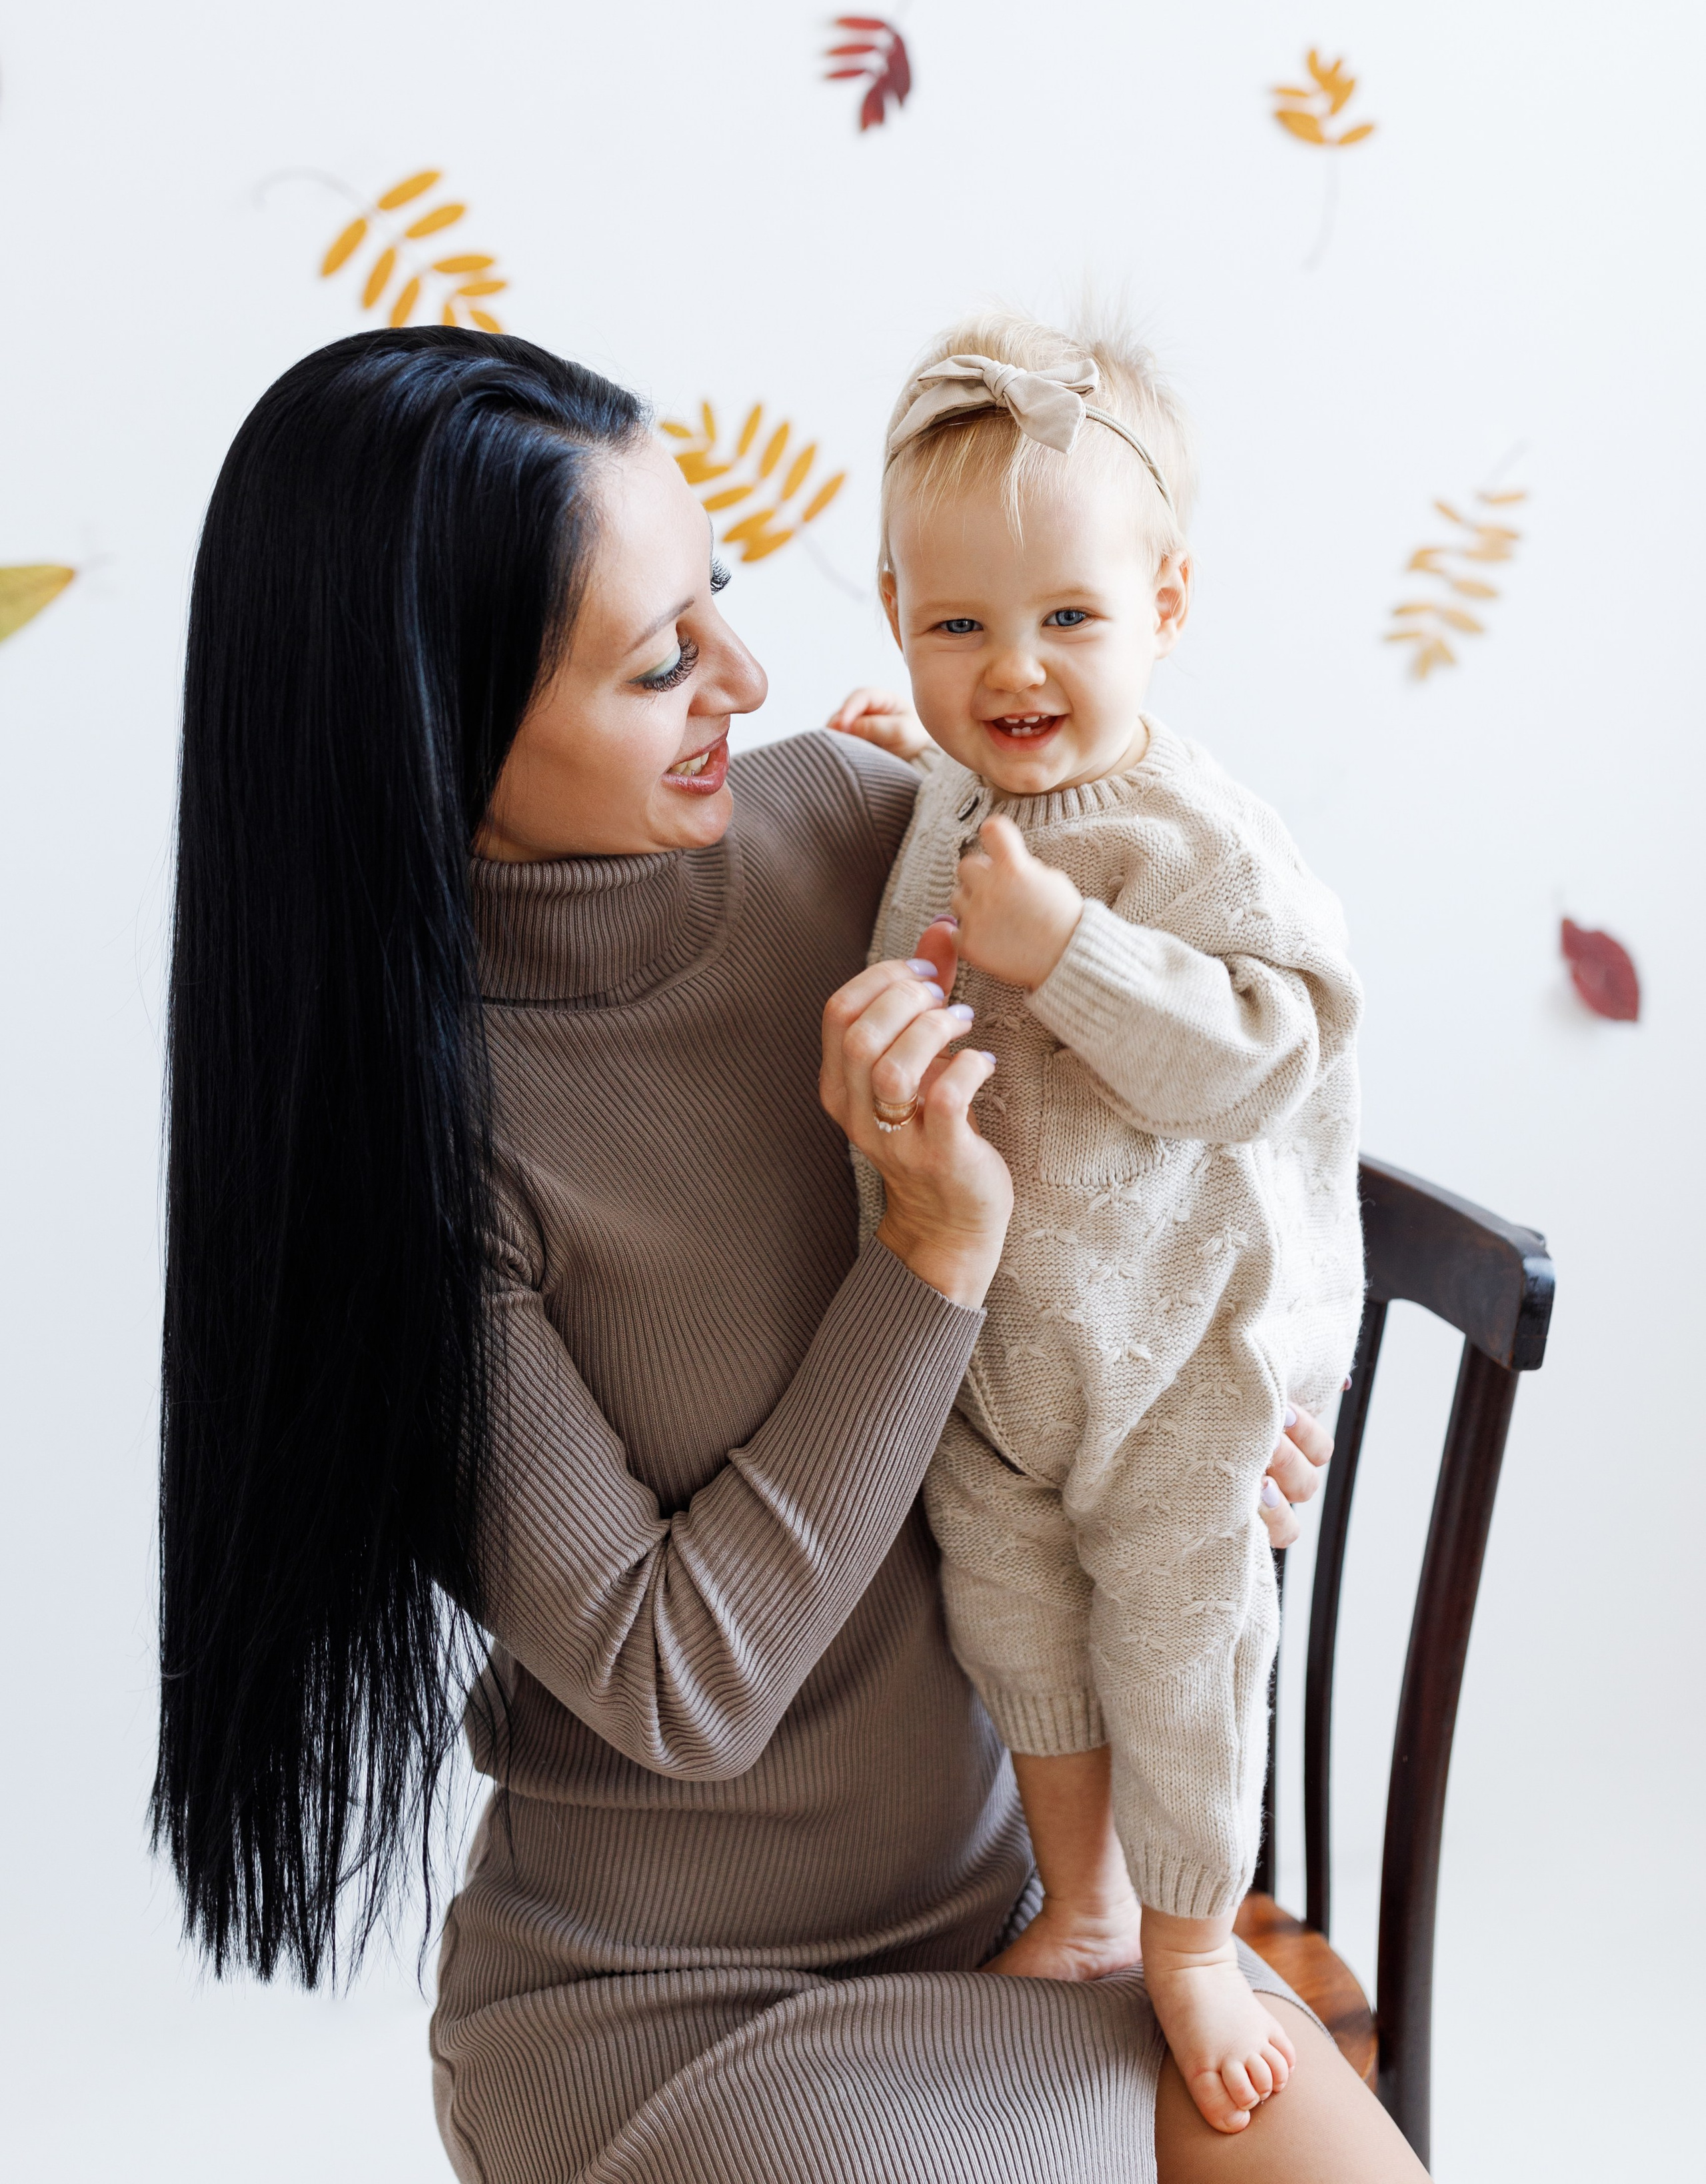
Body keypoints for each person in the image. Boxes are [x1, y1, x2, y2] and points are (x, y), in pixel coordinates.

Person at [155, 325, 1425, 2181]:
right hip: (654, 2020)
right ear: (439, 731)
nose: (746, 683)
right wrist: (922, 1260)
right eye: (663, 664)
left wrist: (1231, 1412)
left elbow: (1187, 1149)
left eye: (721, 607)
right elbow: (681, 1678)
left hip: (1021, 1904)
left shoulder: (866, 838)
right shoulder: (418, 1172)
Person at [829, 315, 1364, 2136]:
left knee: (1183, 1633)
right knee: (1020, 1626)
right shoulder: (960, 792)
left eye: (1069, 616)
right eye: (957, 625)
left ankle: (1198, 1929)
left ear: (1169, 603)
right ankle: (1084, 1902)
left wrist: (1078, 958)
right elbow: (960, 834)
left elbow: (1270, 1052)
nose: (1016, 666)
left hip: (1180, 1349)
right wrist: (901, 768)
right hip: (1005, 1351)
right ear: (896, 612)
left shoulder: (1194, 832)